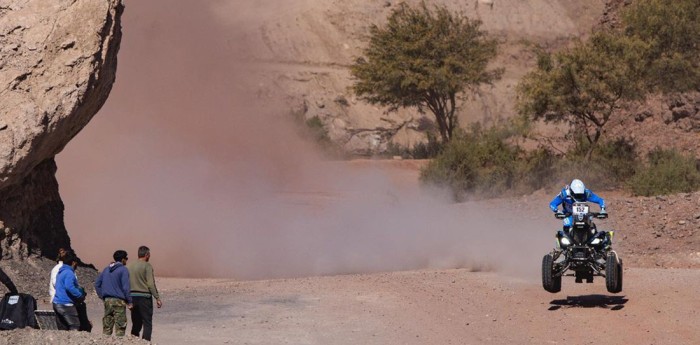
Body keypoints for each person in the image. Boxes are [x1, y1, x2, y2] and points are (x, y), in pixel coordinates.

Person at [127, 246, 162, 341]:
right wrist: (157, 298)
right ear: (146, 255)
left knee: (136, 322)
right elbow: (150, 284)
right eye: (149, 254)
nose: (149, 256)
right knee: (147, 322)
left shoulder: (129, 266)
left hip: (132, 297)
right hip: (144, 298)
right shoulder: (147, 266)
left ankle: (134, 342)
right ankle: (146, 342)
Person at [95, 250, 133, 336]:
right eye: (126, 258)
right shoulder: (123, 270)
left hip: (107, 301)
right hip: (119, 301)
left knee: (107, 327)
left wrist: (103, 297)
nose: (126, 260)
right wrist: (130, 302)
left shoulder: (106, 269)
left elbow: (97, 284)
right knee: (120, 328)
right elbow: (126, 288)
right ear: (123, 259)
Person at [52, 251, 85, 331]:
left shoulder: (61, 272)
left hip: (57, 303)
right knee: (75, 326)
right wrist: (80, 295)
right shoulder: (69, 273)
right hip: (65, 304)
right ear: (73, 263)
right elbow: (69, 287)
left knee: (63, 329)